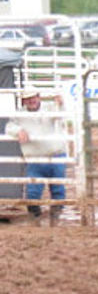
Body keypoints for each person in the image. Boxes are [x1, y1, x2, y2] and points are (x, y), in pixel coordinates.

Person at [6, 89, 67, 226]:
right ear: (23, 101)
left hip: (55, 154)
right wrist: (18, 131)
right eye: (27, 99)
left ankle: (55, 214)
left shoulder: (50, 108)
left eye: (33, 97)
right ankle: (35, 215)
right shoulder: (19, 115)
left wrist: (61, 104)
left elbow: (62, 115)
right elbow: (9, 127)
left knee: (58, 188)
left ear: (39, 97)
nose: (31, 101)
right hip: (35, 157)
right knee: (33, 191)